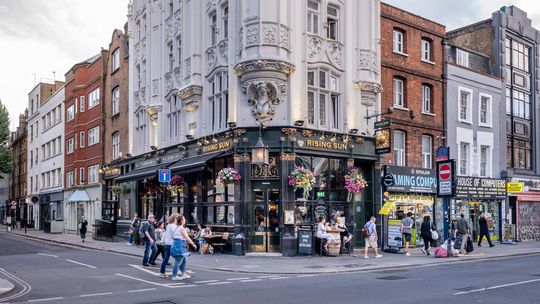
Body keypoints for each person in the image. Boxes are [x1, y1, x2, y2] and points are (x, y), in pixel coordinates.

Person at [171, 214, 197, 280]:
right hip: (179, 245)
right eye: (184, 219)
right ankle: (174, 275)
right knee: (178, 261)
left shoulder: (176, 227)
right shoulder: (182, 228)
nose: (185, 220)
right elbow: (187, 238)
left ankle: (183, 274)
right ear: (182, 221)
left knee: (184, 260)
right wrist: (193, 244)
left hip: (177, 244)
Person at [159, 213, 177, 278]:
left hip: (167, 244)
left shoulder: (169, 225)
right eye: (177, 218)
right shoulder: (173, 226)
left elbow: (166, 234)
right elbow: (174, 235)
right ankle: (181, 272)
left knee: (166, 258)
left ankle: (162, 272)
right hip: (172, 244)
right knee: (179, 258)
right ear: (174, 219)